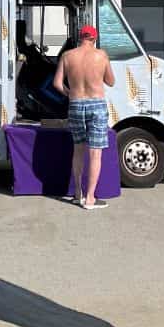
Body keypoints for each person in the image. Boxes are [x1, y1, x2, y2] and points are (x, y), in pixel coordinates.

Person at [53, 24, 116, 210]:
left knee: (78, 149)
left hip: (75, 103)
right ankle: (90, 199)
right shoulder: (101, 55)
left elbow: (57, 84)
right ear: (94, 39)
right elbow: (111, 82)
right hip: (96, 104)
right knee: (95, 153)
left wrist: (69, 93)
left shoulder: (67, 56)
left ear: (80, 37)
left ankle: (78, 193)